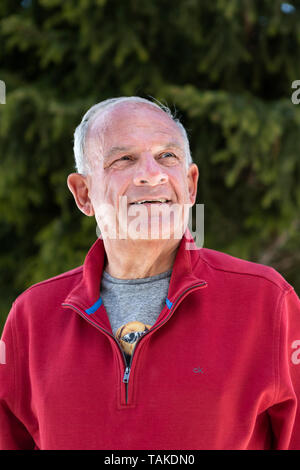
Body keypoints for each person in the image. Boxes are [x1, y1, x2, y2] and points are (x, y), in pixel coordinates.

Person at [0, 96, 300, 450]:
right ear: (83, 194)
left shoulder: (267, 302)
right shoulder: (33, 316)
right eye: (124, 159)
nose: (151, 173)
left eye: (166, 156)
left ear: (190, 184)